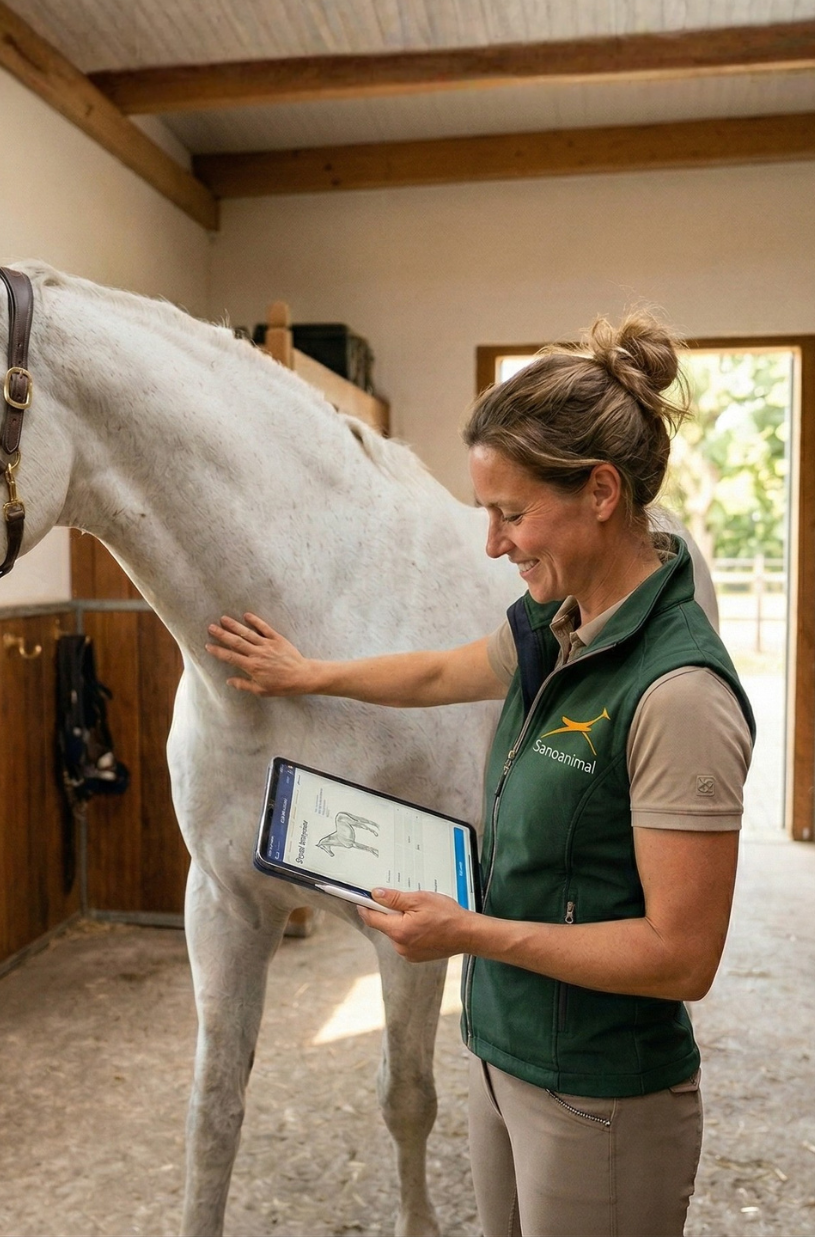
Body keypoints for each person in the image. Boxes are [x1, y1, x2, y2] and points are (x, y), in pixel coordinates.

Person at [205, 314, 754, 1237]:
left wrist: (474, 932)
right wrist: (308, 674)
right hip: (503, 1056)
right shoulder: (553, 621)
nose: (493, 545)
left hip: (598, 1090)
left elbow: (682, 956)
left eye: (511, 514)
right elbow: (435, 673)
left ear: (603, 492)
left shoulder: (679, 694)